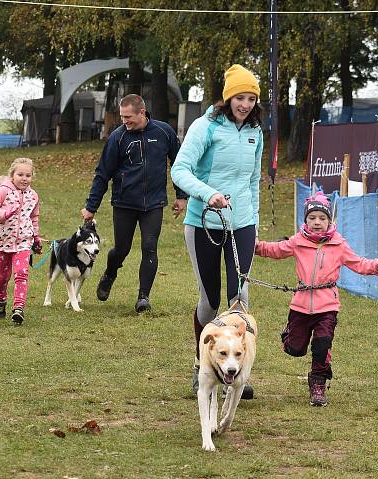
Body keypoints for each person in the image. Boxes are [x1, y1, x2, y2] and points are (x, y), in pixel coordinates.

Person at [171, 64, 263, 398]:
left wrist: (251, 219)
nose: (246, 104)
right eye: (240, 97)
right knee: (210, 302)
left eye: (251, 98)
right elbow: (180, 170)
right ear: (228, 98)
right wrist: (208, 193)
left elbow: (252, 181)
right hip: (203, 223)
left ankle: (239, 372)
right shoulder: (206, 126)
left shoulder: (255, 131)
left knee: (239, 299)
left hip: (242, 225)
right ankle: (202, 365)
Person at [255, 191, 378, 406]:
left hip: (327, 304)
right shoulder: (298, 241)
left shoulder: (339, 245)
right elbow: (276, 250)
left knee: (322, 344)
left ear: (330, 221)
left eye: (322, 218)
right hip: (300, 304)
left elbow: (359, 263)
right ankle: (289, 337)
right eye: (312, 218)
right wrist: (255, 246)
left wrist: (377, 265)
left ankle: (318, 384)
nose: (317, 222)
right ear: (306, 220)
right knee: (295, 349)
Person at [82, 93, 187, 313]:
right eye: (122, 117)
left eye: (128, 116)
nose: (124, 121)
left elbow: (179, 164)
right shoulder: (118, 137)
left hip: (154, 203)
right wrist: (91, 207)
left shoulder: (163, 132)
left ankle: (143, 298)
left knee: (150, 247)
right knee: (122, 249)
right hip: (124, 203)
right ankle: (110, 273)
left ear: (142, 112)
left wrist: (181, 195)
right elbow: (103, 174)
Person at [0, 158, 42, 325]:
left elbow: (34, 218)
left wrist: (36, 238)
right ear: (12, 175)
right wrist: (4, 213)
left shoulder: (33, 196)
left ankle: (18, 308)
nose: (24, 178)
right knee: (2, 276)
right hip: (2, 241)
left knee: (22, 273)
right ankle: (0, 300)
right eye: (20, 174)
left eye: (28, 175)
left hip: (23, 241)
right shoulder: (3, 191)